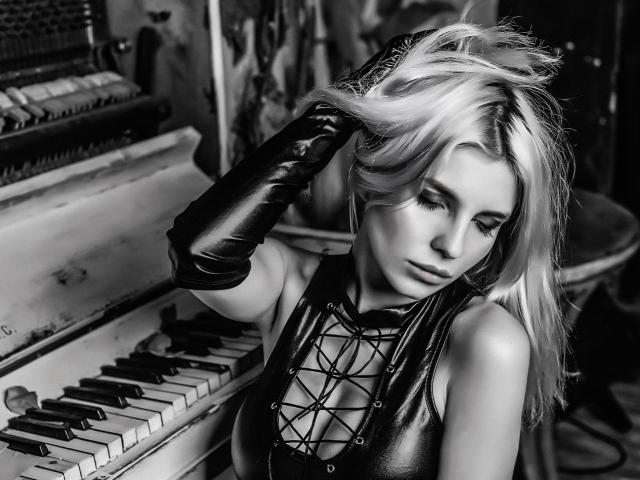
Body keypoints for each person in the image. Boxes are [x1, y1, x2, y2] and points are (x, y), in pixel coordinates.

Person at [167, 22, 572, 480]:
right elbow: (199, 254)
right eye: (432, 201)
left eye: (485, 224)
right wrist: (343, 108)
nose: (452, 246)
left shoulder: (486, 343)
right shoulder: (289, 286)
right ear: (372, 176)